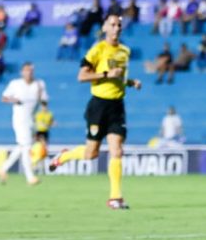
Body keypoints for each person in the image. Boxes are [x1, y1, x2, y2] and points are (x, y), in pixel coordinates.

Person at [48, 14, 142, 209]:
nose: (116, 28)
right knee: (91, 154)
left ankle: (115, 197)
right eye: (112, 25)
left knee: (117, 150)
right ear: (105, 27)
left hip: (117, 105)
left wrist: (131, 82)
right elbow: (81, 76)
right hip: (98, 106)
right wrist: (106, 74)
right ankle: (63, 157)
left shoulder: (125, 51)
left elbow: (120, 77)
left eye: (119, 25)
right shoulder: (97, 49)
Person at [0, 62, 48, 186]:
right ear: (22, 72)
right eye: (26, 70)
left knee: (21, 146)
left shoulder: (39, 84)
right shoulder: (16, 84)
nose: (29, 72)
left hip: (31, 120)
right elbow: (3, 98)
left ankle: (3, 169)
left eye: (31, 70)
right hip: (19, 120)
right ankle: (30, 177)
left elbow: (44, 102)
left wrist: (42, 104)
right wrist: (13, 100)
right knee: (26, 147)